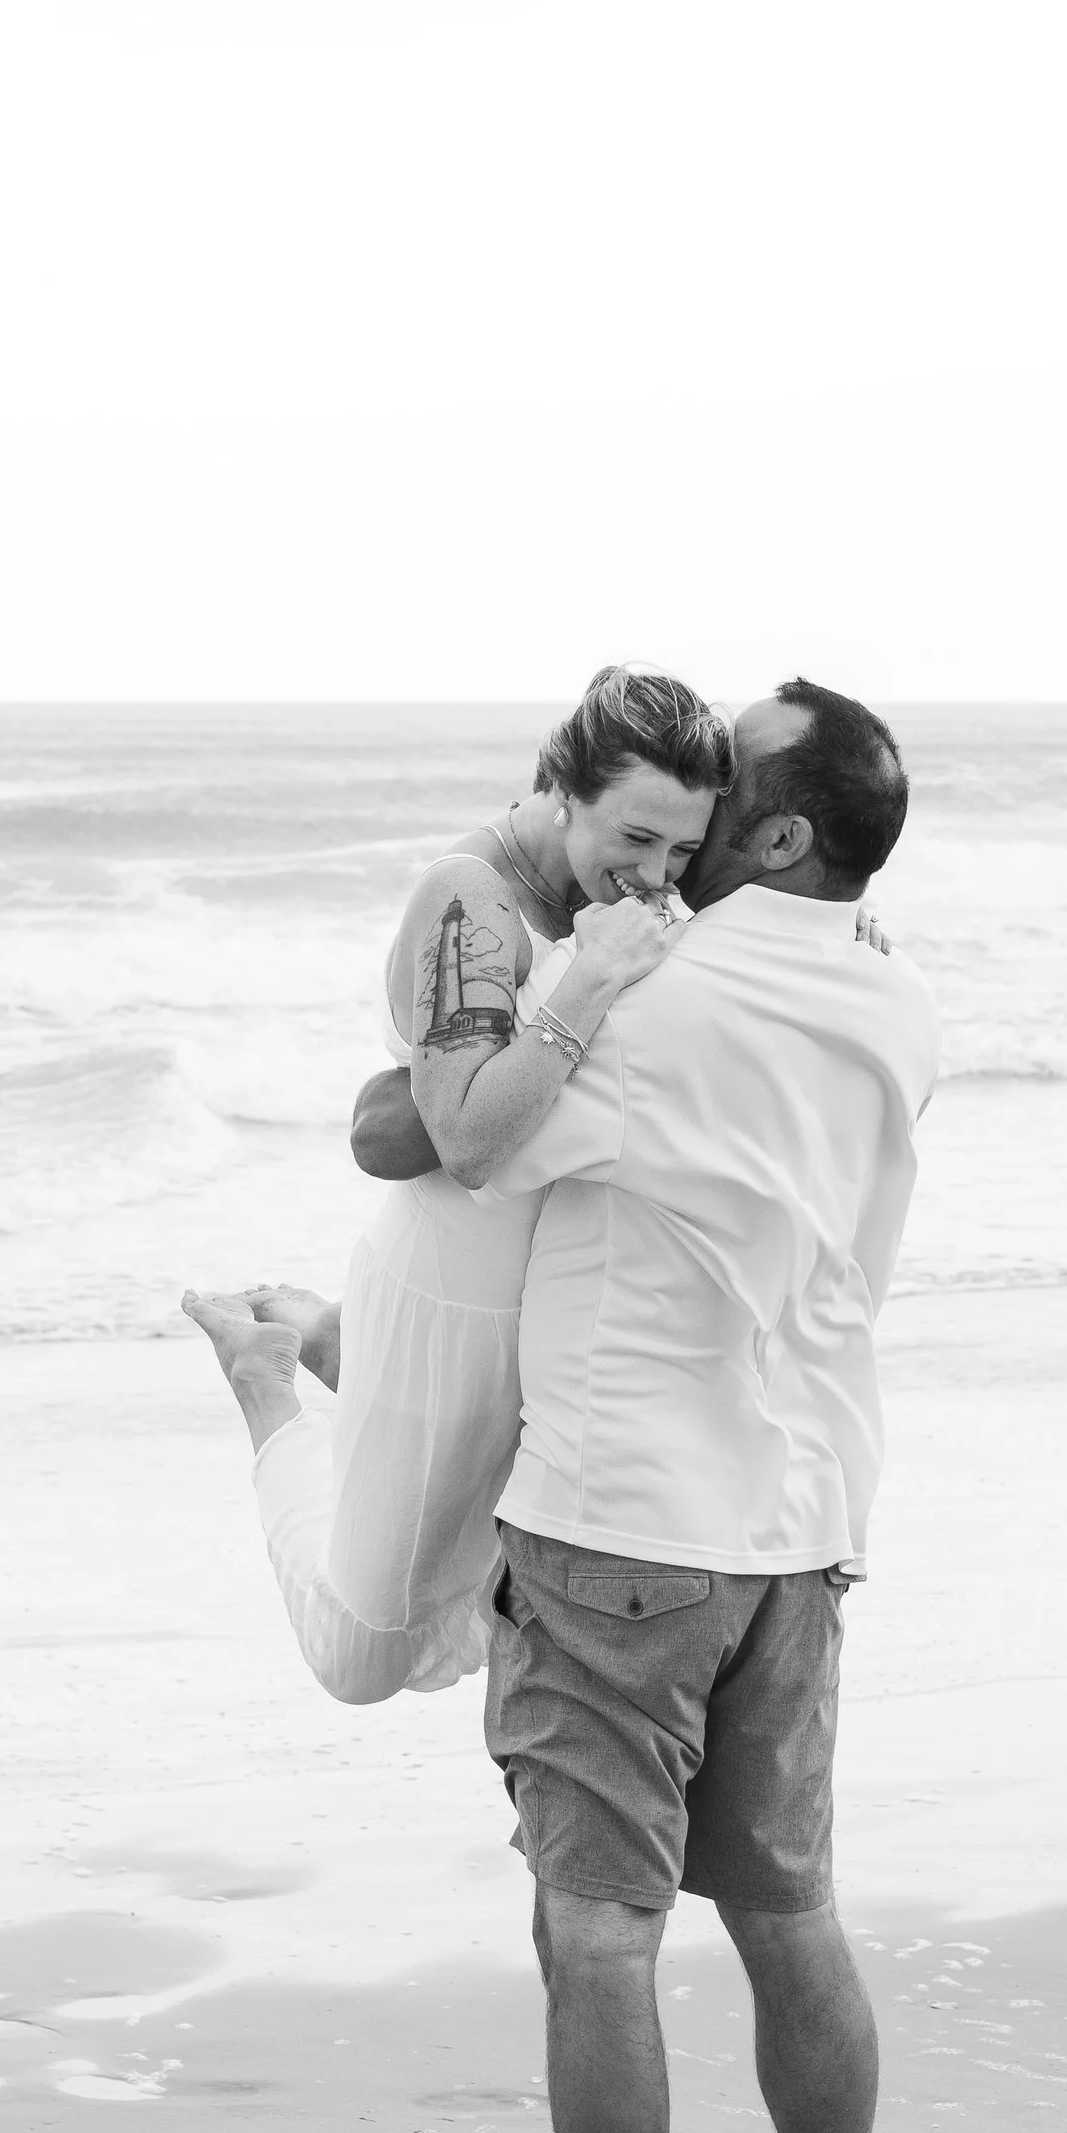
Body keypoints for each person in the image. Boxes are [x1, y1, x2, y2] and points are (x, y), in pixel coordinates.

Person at [469, 679, 940, 2133]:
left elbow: (457, 1132)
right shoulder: (899, 1002)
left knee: (595, 1934)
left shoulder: (658, 994)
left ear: (786, 832)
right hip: (800, 1525)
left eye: (731, 776)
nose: (700, 793)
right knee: (791, 1914)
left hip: (621, 1523)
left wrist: (551, 983)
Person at [181, 666, 729, 1705]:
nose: (658, 874)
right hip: (454, 1298)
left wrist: (849, 934)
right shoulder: (470, 900)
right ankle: (266, 1381)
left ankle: (339, 1345)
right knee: (366, 1653)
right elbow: (469, 1140)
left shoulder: (612, 884)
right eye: (636, 838)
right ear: (561, 790)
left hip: (563, 1298)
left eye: (683, 850)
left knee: (503, 1589)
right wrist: (593, 976)